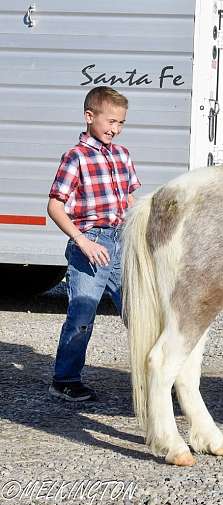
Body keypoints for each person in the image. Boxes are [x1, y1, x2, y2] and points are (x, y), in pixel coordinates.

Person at [47, 86, 141, 401]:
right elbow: (55, 206)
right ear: (90, 116)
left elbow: (128, 199)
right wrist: (81, 242)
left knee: (139, 312)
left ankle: (152, 382)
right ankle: (65, 380)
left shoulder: (122, 155)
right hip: (91, 245)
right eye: (110, 121)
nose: (115, 129)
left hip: (120, 242)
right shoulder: (76, 157)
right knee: (82, 313)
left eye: (121, 123)